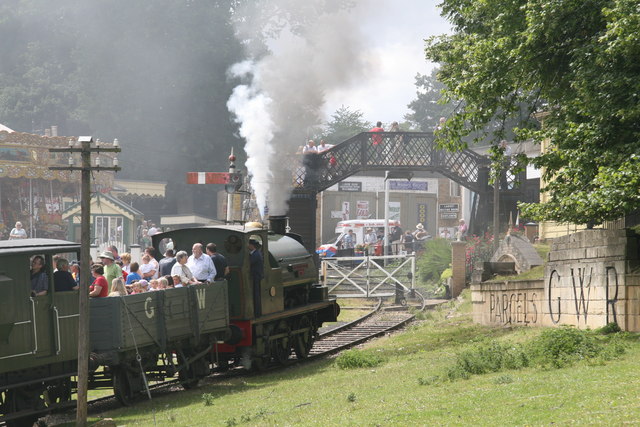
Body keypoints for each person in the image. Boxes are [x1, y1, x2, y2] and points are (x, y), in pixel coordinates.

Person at [248, 239, 264, 317]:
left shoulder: (256, 255)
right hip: (255, 276)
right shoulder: (255, 253)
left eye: (249, 244)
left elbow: (249, 263)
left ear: (252, 245)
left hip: (256, 276)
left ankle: (257, 312)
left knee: (256, 294)